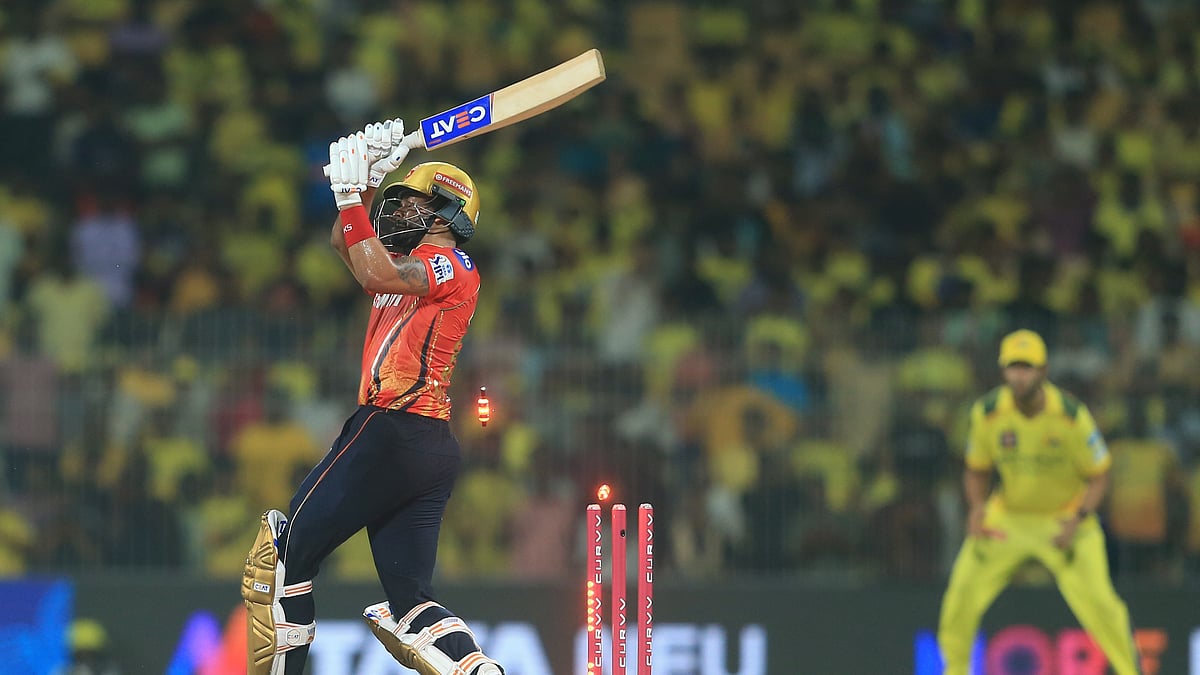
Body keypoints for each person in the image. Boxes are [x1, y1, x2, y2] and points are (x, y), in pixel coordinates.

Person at [242, 120, 503, 675]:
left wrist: (346, 193)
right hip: (429, 448)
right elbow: (348, 243)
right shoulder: (404, 271)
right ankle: (476, 669)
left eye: (414, 204)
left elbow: (368, 268)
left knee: (283, 561)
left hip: (391, 428)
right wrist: (363, 185)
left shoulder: (447, 265)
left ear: (448, 218)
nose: (399, 211)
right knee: (411, 599)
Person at [937, 329, 1141, 675]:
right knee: (960, 598)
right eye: (1013, 367)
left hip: (1065, 520)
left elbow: (1100, 474)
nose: (1020, 375)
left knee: (1103, 607)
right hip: (1008, 519)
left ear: (1044, 371)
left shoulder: (1071, 416)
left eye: (1027, 367)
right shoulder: (987, 413)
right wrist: (976, 507)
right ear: (1003, 371)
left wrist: (1078, 517)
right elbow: (976, 470)